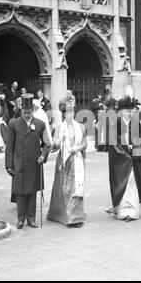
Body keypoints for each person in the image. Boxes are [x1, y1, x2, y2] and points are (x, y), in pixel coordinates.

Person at [5, 93, 51, 229]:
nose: (27, 115)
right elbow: (9, 146)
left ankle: (31, 219)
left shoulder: (40, 124)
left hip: (34, 163)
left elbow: (47, 144)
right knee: (19, 192)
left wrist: (43, 155)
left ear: (33, 111)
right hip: (18, 163)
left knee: (32, 192)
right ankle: (20, 219)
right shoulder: (13, 124)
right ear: (21, 111)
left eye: (29, 112)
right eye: (24, 112)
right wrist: (9, 165)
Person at [105, 95, 141, 222]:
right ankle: (123, 209)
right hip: (121, 158)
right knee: (123, 182)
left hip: (134, 158)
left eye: (131, 111)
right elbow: (113, 142)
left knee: (132, 181)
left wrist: (135, 149)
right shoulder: (116, 123)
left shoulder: (135, 123)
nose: (129, 113)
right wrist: (124, 154)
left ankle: (133, 210)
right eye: (126, 111)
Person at [47, 94, 87, 227]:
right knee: (65, 189)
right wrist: (55, 144)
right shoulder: (59, 127)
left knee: (76, 189)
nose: (70, 115)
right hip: (64, 161)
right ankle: (64, 215)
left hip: (77, 159)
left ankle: (76, 217)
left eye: (72, 112)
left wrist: (78, 148)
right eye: (67, 112)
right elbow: (55, 145)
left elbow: (85, 143)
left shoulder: (80, 126)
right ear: (63, 114)